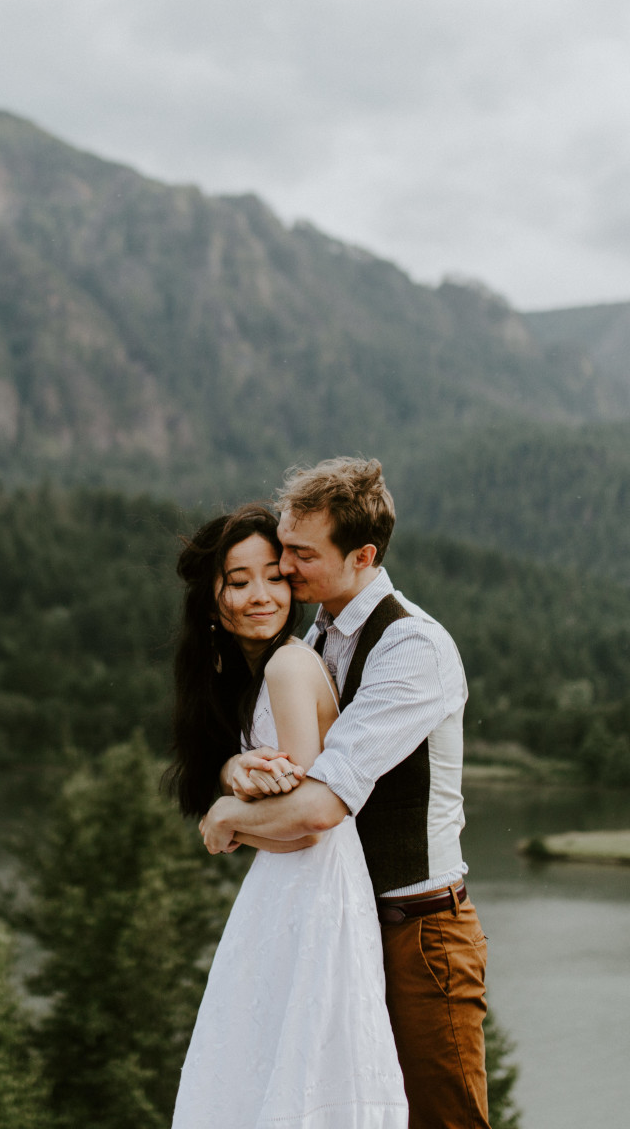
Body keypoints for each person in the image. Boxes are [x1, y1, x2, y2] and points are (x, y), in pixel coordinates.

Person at [200, 457, 487, 1129]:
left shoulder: (411, 647)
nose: (285, 568)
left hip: (421, 934)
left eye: (300, 554)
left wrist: (227, 816)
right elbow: (275, 757)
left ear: (361, 556)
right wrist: (234, 773)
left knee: (444, 1122)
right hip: (345, 928)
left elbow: (326, 802)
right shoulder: (317, 638)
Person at [168, 504, 407, 1129]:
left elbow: (305, 823)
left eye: (275, 576)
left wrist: (227, 818)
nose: (261, 595)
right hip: (290, 893)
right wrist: (231, 775)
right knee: (270, 1065)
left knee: (293, 1068)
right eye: (238, 580)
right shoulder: (264, 670)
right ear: (211, 594)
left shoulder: (286, 664)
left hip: (313, 887)